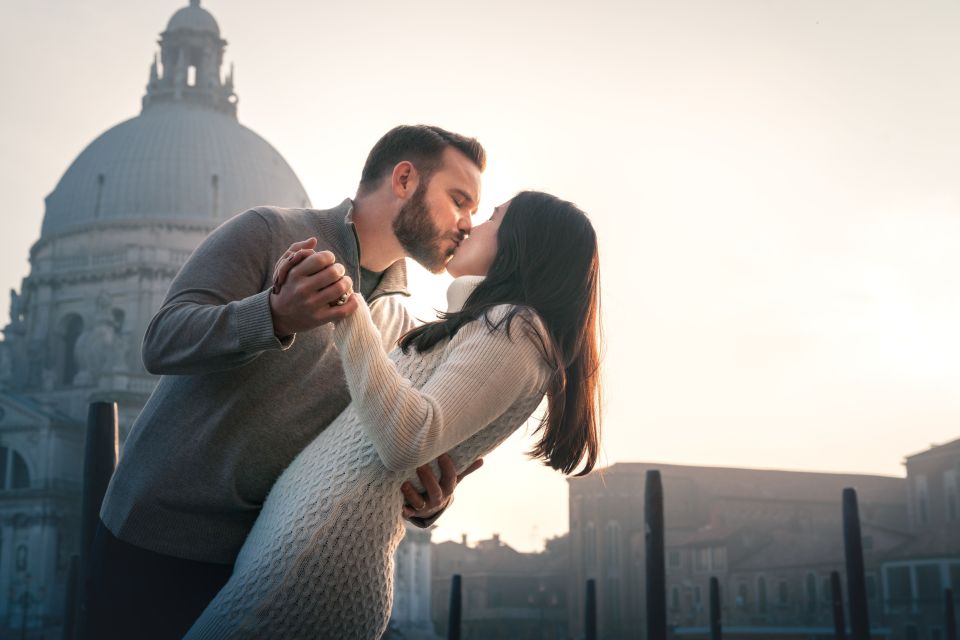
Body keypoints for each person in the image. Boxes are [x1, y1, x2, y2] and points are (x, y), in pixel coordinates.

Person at [85, 125, 488, 639]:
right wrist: (273, 316)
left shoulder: (402, 328)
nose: (468, 225)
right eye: (459, 201)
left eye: (475, 211)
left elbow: (371, 450)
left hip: (268, 570)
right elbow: (162, 340)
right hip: (153, 544)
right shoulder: (269, 231)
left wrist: (427, 502)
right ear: (405, 179)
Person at [184, 190, 603, 639]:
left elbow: (408, 439)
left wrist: (348, 310)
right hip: (301, 553)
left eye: (492, 219)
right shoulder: (486, 325)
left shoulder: (515, 328)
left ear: (522, 244)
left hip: (317, 561)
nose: (470, 226)